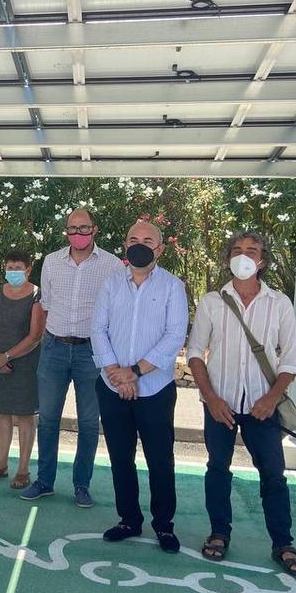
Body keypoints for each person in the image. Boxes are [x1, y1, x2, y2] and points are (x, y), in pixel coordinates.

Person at [185, 231, 296, 576]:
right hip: (220, 403)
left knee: (273, 474)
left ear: (262, 261)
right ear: (228, 259)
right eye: (237, 250)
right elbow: (195, 353)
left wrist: (271, 399)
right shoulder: (212, 301)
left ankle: (282, 542)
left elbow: (291, 361)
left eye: (251, 251)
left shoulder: (279, 303)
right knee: (217, 469)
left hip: (261, 405)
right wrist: (210, 398)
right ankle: (219, 533)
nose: (243, 256)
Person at [92, 220, 189, 553]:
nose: (140, 244)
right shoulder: (109, 284)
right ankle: (129, 520)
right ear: (124, 245)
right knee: (121, 459)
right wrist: (115, 373)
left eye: (148, 240)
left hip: (154, 390)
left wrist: (133, 372)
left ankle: (164, 526)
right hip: (111, 385)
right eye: (133, 238)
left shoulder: (173, 287)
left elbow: (174, 336)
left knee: (160, 461)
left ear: (160, 249)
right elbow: (98, 330)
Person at [21, 208, 123, 506]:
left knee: (89, 422)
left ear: (95, 229)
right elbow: (46, 306)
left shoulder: (112, 265)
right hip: (53, 349)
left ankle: (82, 485)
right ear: (66, 231)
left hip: (92, 352)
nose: (78, 234)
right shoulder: (52, 263)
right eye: (72, 228)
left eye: (84, 228)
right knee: (49, 419)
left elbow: (116, 313)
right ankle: (44, 481)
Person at [0, 249, 45, 490]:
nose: (13, 272)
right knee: (2, 415)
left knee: (26, 417)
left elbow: (35, 335)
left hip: (26, 364)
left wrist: (7, 356)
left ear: (28, 270)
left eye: (18, 268)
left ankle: (23, 470)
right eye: (10, 267)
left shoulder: (37, 296)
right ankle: (0, 464)